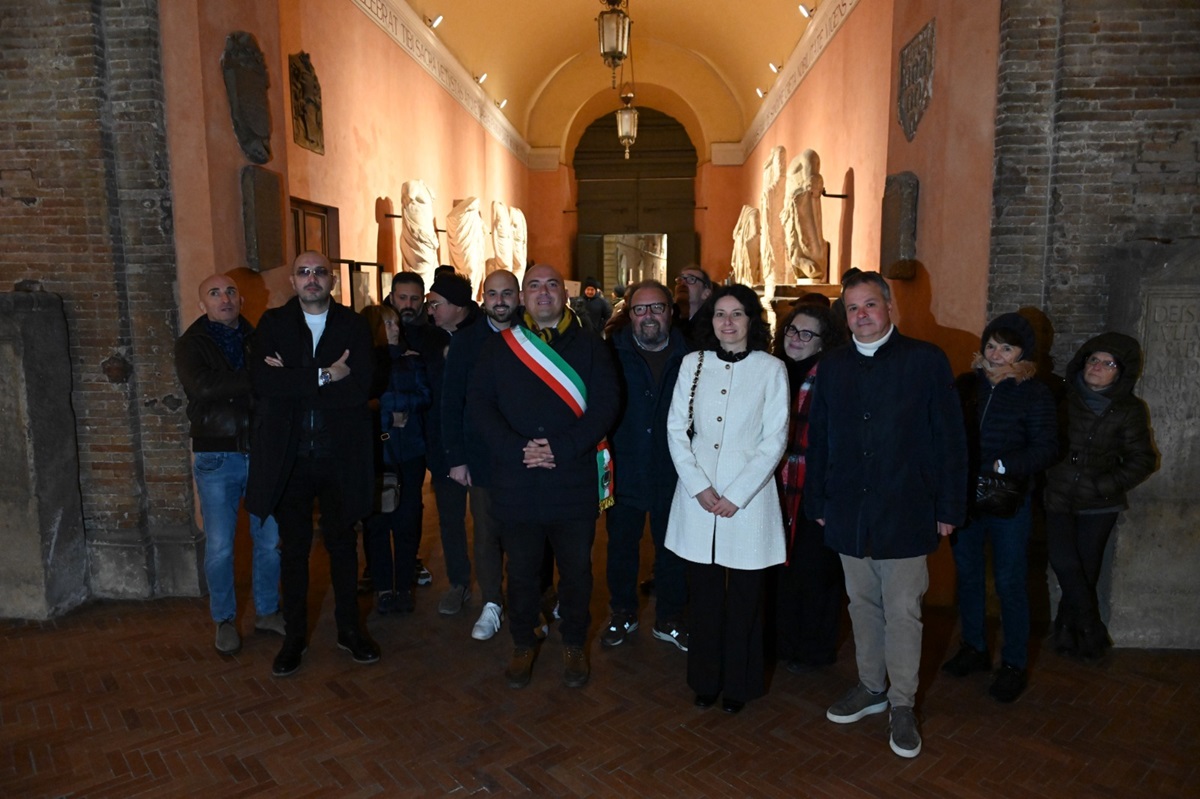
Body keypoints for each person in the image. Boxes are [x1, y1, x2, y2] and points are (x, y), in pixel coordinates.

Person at [804, 269, 967, 758]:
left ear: (890, 306)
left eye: (870, 305)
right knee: (861, 605)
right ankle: (871, 686)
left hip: (907, 507)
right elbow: (819, 440)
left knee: (903, 611)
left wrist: (949, 506)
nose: (862, 315)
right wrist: (818, 502)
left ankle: (901, 703)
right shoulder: (831, 367)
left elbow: (950, 440)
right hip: (849, 509)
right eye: (852, 308)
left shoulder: (926, 361)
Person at [469, 264, 619, 689]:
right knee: (520, 570)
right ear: (521, 297)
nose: (543, 292)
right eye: (533, 285)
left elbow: (607, 405)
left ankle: (573, 643)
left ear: (564, 295)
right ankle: (522, 642)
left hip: (571, 479)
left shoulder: (591, 346)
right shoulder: (499, 348)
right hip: (518, 480)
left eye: (552, 285)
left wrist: (563, 447)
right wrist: (518, 449)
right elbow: (480, 405)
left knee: (577, 571)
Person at [246, 251, 379, 677]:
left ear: (332, 280)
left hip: (340, 457)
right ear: (292, 281)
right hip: (292, 457)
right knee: (295, 552)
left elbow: (363, 387)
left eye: (319, 272)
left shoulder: (354, 325)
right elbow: (264, 383)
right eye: (303, 273)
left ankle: (349, 630)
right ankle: (294, 638)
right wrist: (324, 376)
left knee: (343, 548)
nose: (311, 279)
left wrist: (296, 379)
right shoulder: (273, 325)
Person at [665, 284, 789, 714]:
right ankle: (705, 679)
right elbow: (676, 429)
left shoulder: (772, 369)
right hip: (697, 497)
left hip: (749, 501)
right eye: (720, 314)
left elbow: (775, 439)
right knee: (704, 599)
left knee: (745, 600)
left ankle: (740, 684)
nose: (728, 322)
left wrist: (737, 494)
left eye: (737, 314)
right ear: (710, 320)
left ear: (751, 321)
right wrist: (699, 486)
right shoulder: (691, 364)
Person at [942, 313, 1058, 703]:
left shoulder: (1035, 392)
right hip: (966, 498)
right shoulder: (966, 385)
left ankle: (1013, 664)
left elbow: (1046, 447)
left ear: (1023, 352)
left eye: (1006, 347)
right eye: (991, 344)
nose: (996, 353)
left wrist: (1003, 465)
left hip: (1009, 500)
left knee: (1010, 581)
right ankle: (974, 648)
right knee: (969, 575)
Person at [174, 274, 283, 655]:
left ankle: (268, 611)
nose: (225, 298)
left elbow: (276, 386)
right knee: (220, 547)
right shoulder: (191, 344)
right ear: (202, 304)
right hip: (216, 456)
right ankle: (224, 619)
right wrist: (258, 376)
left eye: (231, 292)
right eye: (215, 293)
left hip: (261, 452)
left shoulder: (257, 338)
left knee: (269, 542)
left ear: (241, 299)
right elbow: (203, 387)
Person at [1043, 332, 1156, 662]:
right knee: (1064, 562)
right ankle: (1091, 627)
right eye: (1094, 359)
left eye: (1108, 364)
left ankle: (1065, 628)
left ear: (1120, 372)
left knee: (1086, 568)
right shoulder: (1062, 396)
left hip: (1100, 502)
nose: (1098, 367)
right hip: (1059, 495)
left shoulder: (1128, 409)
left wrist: (1105, 485)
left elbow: (1143, 459)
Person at [603, 280, 691, 652]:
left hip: (676, 472)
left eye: (657, 308)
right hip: (625, 469)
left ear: (671, 312)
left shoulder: (693, 356)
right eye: (640, 309)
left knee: (672, 550)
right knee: (621, 548)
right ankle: (623, 612)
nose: (649, 316)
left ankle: (669, 618)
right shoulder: (610, 354)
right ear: (630, 314)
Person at [442, 269, 521, 641]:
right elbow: (450, 402)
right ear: (482, 298)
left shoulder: (536, 338)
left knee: (530, 531)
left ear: (518, 297)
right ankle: (492, 602)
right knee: (486, 531)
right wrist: (456, 458)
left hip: (528, 456)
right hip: (482, 456)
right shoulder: (465, 342)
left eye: (507, 293)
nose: (500, 301)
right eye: (493, 294)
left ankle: (530, 598)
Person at [771, 302, 846, 674]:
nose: (796, 339)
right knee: (780, 571)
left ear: (822, 342)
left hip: (814, 487)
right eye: (791, 330)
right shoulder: (773, 369)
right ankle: (782, 641)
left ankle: (813, 648)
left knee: (814, 572)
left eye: (806, 334)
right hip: (775, 487)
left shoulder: (831, 376)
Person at [360, 304, 430, 616]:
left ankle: (403, 587)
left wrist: (394, 407)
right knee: (377, 523)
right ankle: (383, 587)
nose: (395, 327)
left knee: (407, 520)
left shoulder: (410, 359)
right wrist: (390, 413)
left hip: (410, 451)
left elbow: (425, 395)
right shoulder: (363, 364)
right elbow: (360, 403)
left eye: (395, 322)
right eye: (388, 323)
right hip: (375, 454)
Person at [424, 271, 481, 617]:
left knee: (491, 519)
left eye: (436, 304)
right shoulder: (427, 338)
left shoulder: (486, 336)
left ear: (458, 306)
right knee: (449, 518)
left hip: (481, 444)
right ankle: (459, 583)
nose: (430, 310)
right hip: (442, 445)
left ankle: (495, 587)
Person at [388, 271, 448, 590]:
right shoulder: (373, 329)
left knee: (411, 503)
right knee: (380, 504)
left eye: (414, 299)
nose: (408, 305)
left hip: (419, 437)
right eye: (402, 298)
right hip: (382, 437)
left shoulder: (434, 336)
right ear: (391, 296)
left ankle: (407, 564)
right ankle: (381, 568)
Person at [672, 266, 713, 343]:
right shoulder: (668, 321)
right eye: (680, 280)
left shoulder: (710, 327)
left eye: (691, 279)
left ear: (706, 293)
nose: (682, 283)